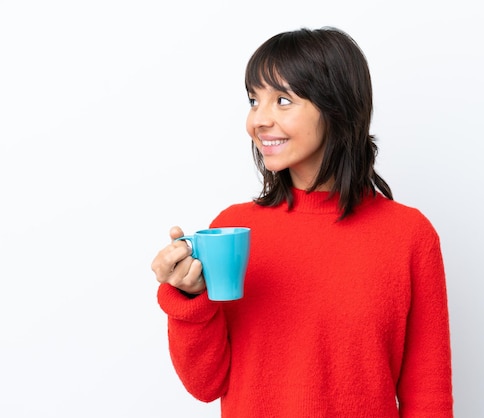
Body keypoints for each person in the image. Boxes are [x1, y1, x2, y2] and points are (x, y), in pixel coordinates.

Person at [151, 26, 453, 417]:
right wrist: (189, 298)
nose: (258, 120)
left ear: (336, 107)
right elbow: (206, 384)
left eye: (282, 100)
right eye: (253, 100)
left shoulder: (409, 236)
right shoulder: (232, 230)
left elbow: (428, 396)